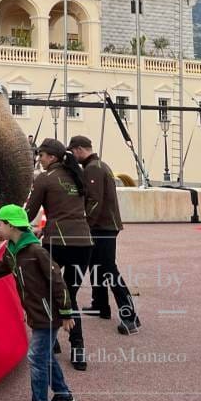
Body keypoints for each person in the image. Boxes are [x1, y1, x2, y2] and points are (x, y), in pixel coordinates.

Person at [0, 204, 77, 401]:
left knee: (36, 358)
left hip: (48, 314)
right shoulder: (12, 250)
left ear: (11, 226)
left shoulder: (37, 251)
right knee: (45, 356)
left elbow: (58, 281)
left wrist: (66, 312)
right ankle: (64, 396)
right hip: (37, 314)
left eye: (0, 224)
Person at [25, 138, 93, 370]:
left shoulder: (45, 179)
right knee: (70, 294)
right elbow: (74, 209)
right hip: (84, 243)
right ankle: (78, 351)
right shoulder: (77, 175)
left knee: (48, 289)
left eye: (41, 155)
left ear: (52, 157)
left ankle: (51, 342)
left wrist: (10, 224)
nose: (39, 159)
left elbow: (29, 212)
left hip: (57, 243)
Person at [68, 135, 140, 334]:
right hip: (104, 226)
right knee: (97, 266)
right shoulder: (99, 166)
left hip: (103, 227)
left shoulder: (93, 169)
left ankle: (130, 316)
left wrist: (85, 224)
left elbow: (95, 202)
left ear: (80, 149)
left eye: (73, 152)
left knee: (108, 269)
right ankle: (100, 305)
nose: (73, 156)